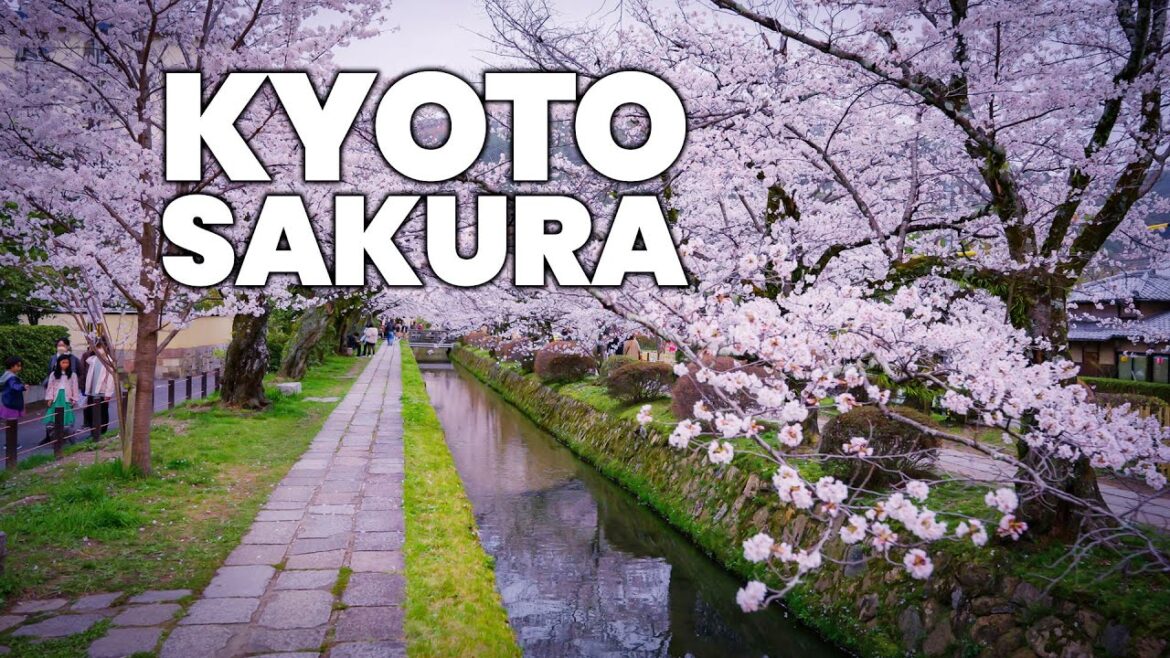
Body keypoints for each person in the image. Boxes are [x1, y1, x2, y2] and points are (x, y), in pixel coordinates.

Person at [41, 353, 80, 444]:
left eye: (67, 362)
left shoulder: (73, 375)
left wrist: (74, 399)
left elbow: (75, 387)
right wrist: (50, 398)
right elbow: (50, 387)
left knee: (66, 419)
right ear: (59, 363)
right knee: (54, 418)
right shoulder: (53, 374)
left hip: (67, 398)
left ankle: (67, 438)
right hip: (56, 398)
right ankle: (56, 438)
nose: (65, 364)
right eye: (63, 362)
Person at [84, 344, 116, 436]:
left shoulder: (109, 361)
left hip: (102, 392)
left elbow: (111, 379)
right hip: (92, 392)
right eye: (97, 347)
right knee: (90, 412)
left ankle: (102, 432)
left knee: (103, 412)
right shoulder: (93, 360)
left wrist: (108, 393)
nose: (99, 349)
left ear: (106, 348)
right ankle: (93, 432)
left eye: (101, 347)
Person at [0, 357, 26, 421]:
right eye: (18, 366)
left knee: (9, 421)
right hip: (12, 402)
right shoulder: (12, 377)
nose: (20, 368)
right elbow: (14, 386)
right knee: (12, 421)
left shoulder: (6, 375)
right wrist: (23, 386)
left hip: (7, 400)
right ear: (12, 366)